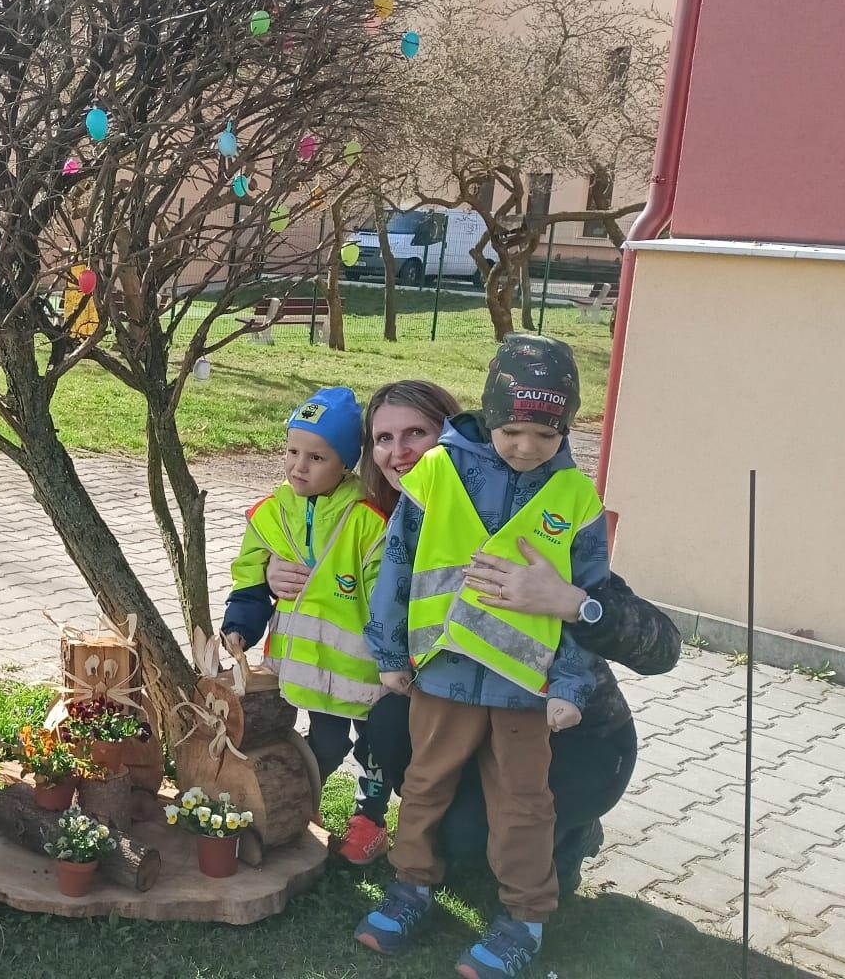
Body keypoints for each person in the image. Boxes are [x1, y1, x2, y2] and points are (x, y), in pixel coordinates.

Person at [266, 378, 679, 894]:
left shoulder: (519, 520)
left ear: (456, 436)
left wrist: (570, 601)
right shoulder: (383, 522)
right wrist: (273, 571)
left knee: (475, 834)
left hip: (576, 739)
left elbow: (664, 647)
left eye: (416, 432)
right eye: (384, 439)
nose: (401, 452)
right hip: (466, 714)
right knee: (393, 721)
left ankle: (569, 832)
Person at [356, 335, 609, 979]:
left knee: (525, 803)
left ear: (567, 428)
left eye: (545, 436)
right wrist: (389, 651)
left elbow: (588, 600)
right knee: (424, 783)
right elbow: (398, 566)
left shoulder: (577, 498)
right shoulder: (436, 473)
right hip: (441, 671)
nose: (527, 447)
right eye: (514, 431)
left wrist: (570, 687)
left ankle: (524, 917)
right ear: (490, 415)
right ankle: (411, 886)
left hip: (525, 687)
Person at [218, 388, 394, 865]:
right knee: (322, 745)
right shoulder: (270, 514)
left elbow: (385, 591)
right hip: (305, 672)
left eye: (317, 456)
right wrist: (239, 626)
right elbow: (250, 578)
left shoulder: (368, 520)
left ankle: (370, 819)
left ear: (346, 463)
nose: (299, 465)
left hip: (367, 672)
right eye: (292, 451)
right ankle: (304, 802)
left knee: (376, 749)